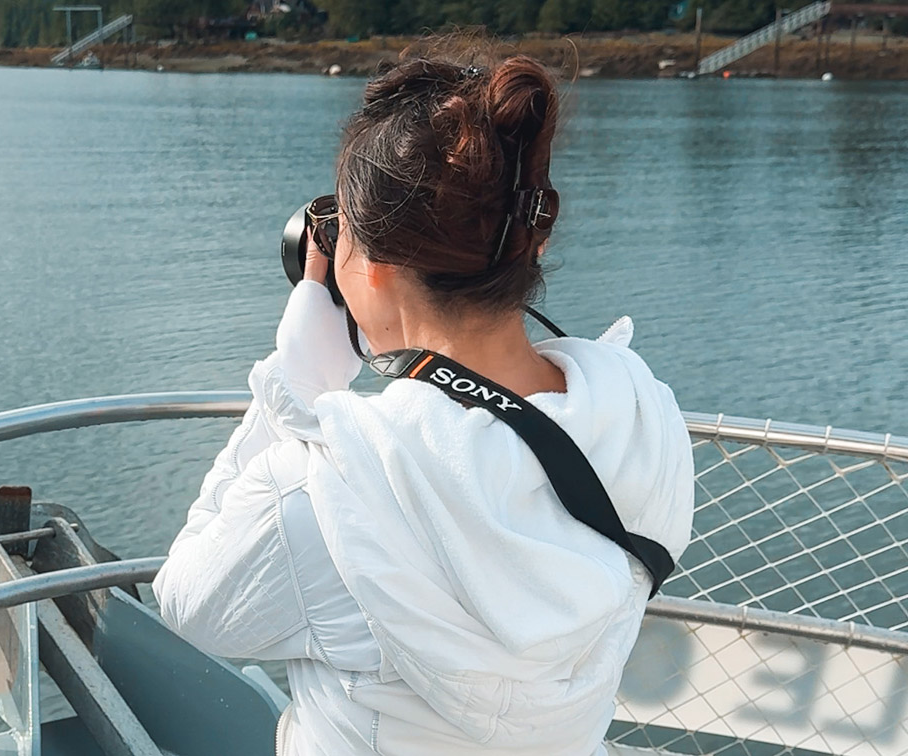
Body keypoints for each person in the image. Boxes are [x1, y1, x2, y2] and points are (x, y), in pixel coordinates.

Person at [153, 48, 695, 755]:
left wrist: (293, 393)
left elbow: (187, 604)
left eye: (338, 234)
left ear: (373, 269)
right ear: (525, 244)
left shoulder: (334, 492)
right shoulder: (642, 419)